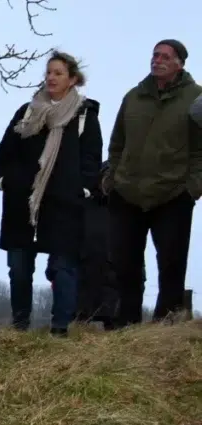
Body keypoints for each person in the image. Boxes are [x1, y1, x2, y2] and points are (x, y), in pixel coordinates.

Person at [0, 52, 103, 336]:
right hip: (22, 203)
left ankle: (60, 327)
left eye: (58, 73)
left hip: (64, 204)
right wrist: (7, 181)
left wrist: (83, 189)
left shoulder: (84, 116)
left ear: (73, 79)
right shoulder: (28, 111)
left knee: (63, 266)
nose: (51, 77)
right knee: (19, 268)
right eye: (49, 72)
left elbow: (91, 159)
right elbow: (5, 152)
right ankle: (19, 326)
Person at [105, 39, 202, 326]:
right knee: (125, 264)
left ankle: (165, 325)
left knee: (171, 265)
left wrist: (192, 189)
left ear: (179, 64)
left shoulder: (195, 99)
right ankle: (127, 324)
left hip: (173, 194)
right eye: (155, 55)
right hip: (127, 193)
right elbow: (117, 143)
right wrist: (112, 179)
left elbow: (200, 150)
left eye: (165, 56)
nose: (157, 60)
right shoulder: (134, 96)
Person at [76, 161, 122, 330]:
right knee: (75, 338)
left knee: (118, 337)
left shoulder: (127, 211)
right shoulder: (83, 205)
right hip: (84, 277)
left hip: (114, 280)